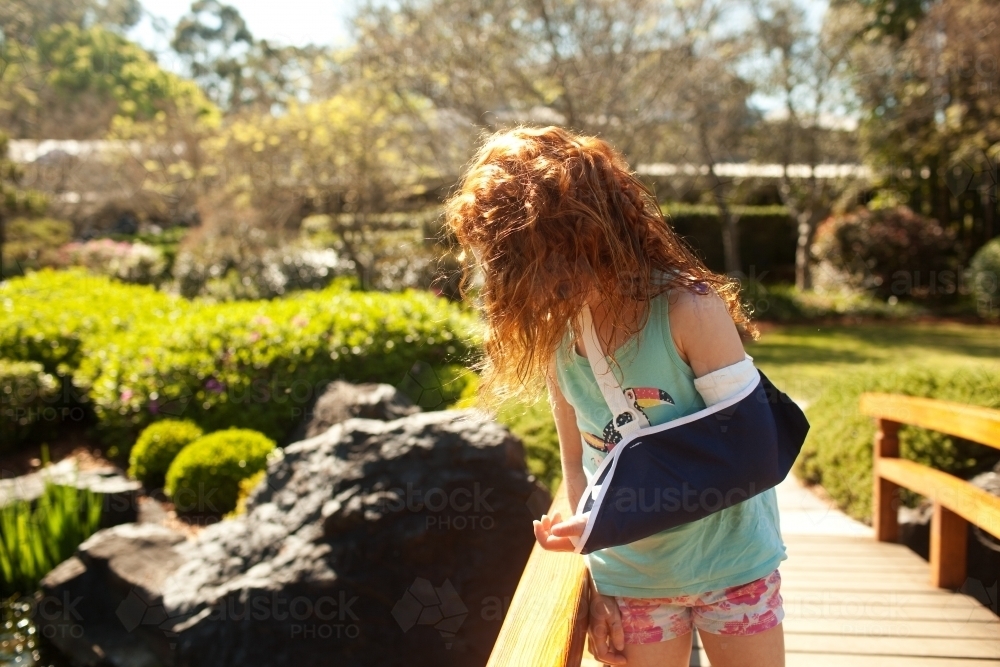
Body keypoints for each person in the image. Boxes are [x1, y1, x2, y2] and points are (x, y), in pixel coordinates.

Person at [444, 126, 786, 667]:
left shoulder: (687, 307)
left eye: (521, 256)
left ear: (579, 235)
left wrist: (618, 517)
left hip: (734, 562)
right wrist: (593, 573)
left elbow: (753, 447)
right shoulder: (559, 337)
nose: (511, 278)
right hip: (633, 578)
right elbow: (578, 465)